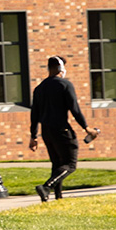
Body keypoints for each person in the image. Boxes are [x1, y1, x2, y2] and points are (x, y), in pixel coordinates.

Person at [28, 55, 94, 202]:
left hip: (47, 132)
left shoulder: (39, 88)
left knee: (57, 164)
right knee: (70, 164)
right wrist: (86, 128)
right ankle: (46, 187)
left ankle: (58, 197)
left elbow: (34, 115)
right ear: (60, 68)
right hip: (62, 130)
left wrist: (33, 136)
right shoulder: (65, 85)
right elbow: (75, 109)